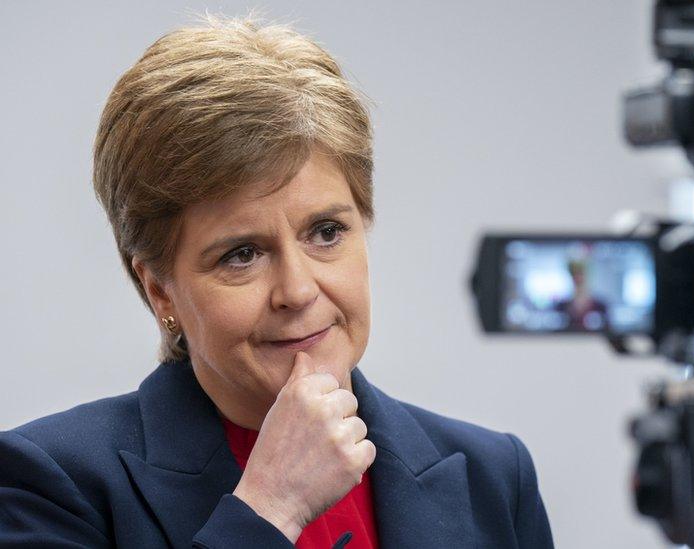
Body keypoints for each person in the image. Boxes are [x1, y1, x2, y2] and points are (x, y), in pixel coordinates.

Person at [0, 16, 554, 549]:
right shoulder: (49, 483)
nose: (299, 289)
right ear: (160, 289)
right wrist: (272, 506)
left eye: (327, 231)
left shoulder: (494, 478)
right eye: (242, 254)